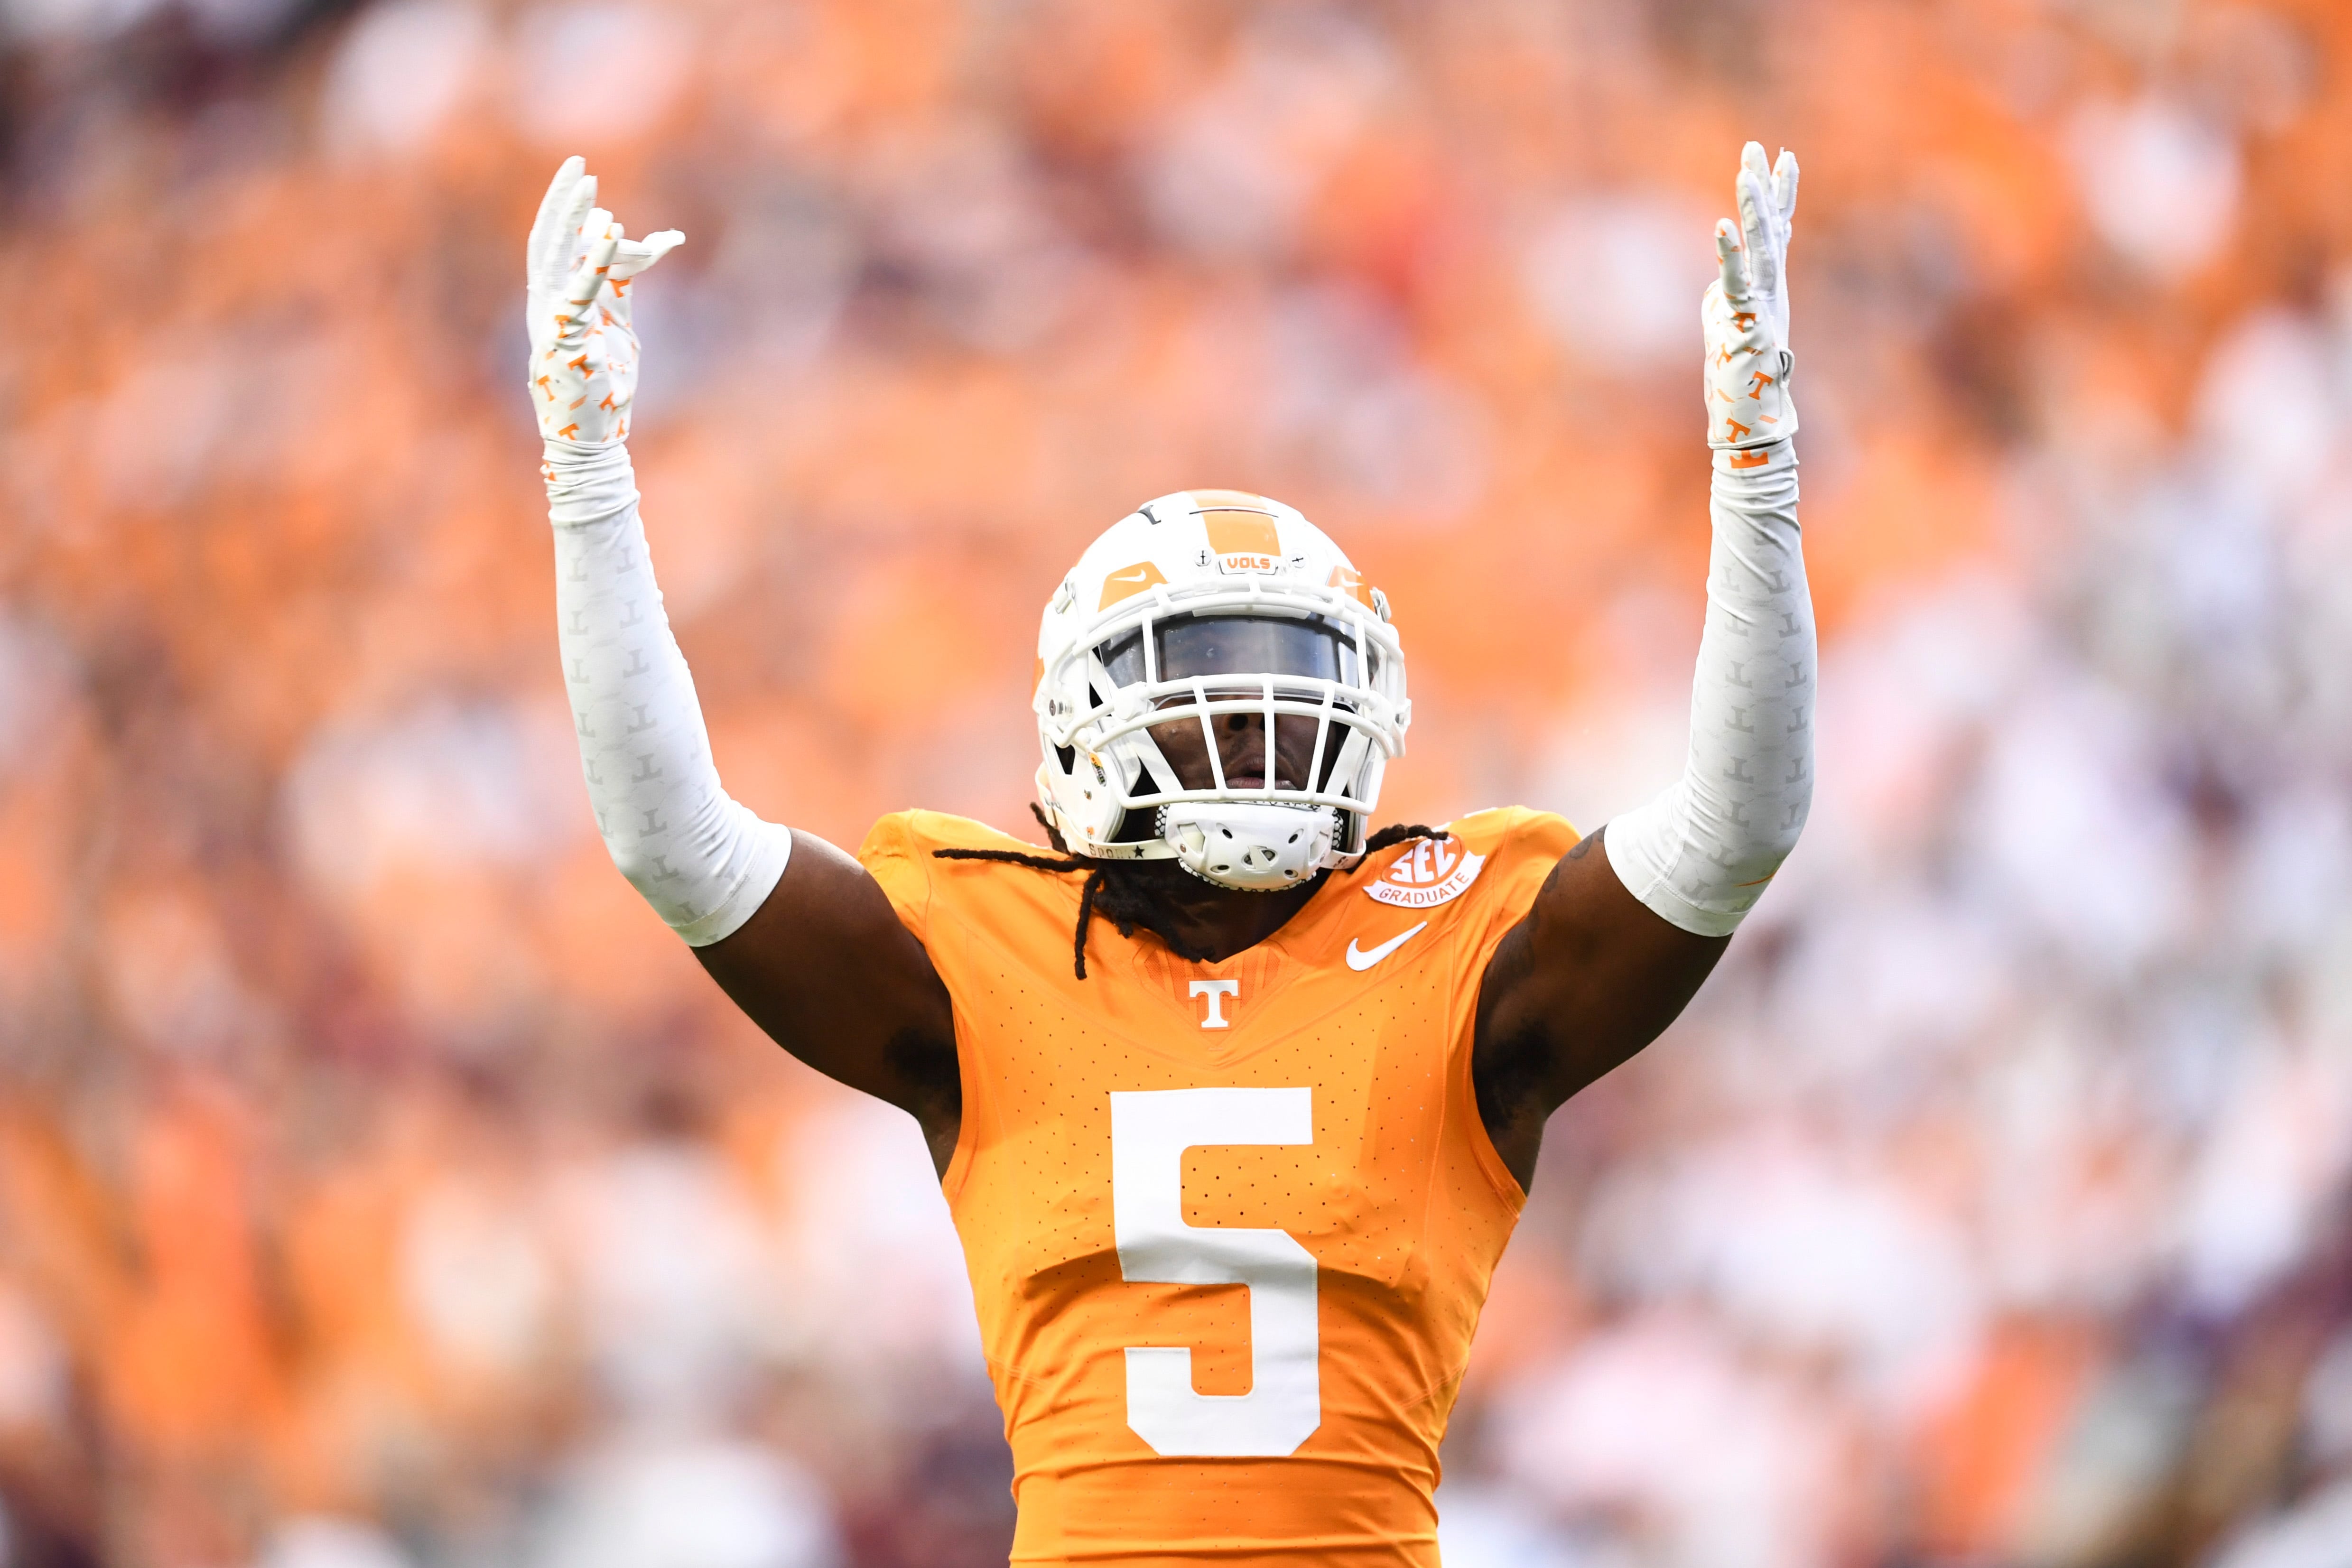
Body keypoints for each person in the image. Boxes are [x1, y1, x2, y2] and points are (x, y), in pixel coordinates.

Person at [527, 140, 1813, 1566]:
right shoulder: (984, 953)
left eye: (1289, 673)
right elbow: (675, 842)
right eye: (1200, 677)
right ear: (1086, 720)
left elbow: (1735, 830)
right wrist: (587, 474)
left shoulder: (1453, 938)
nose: (1255, 719)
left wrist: (1759, 477)